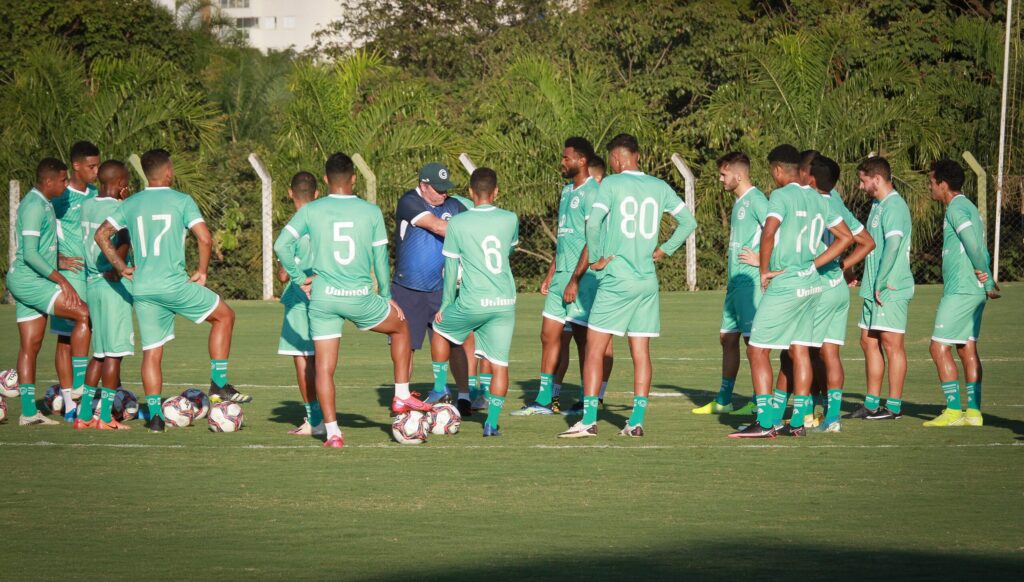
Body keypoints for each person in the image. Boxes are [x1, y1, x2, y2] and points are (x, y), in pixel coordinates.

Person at [274, 153, 431, 449]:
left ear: (325, 180)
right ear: (354, 178)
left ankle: (333, 433)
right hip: (359, 297)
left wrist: (298, 277)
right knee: (401, 327)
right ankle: (400, 394)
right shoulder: (369, 212)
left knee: (324, 367)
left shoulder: (313, 210)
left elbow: (281, 244)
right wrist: (387, 296)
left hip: (324, 299)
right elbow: (380, 258)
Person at [95, 149, 245, 433]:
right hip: (174, 285)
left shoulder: (132, 202)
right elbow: (205, 237)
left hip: (143, 288)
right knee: (225, 316)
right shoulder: (181, 200)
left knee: (152, 352)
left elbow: (101, 234)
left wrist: (120, 265)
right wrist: (202, 271)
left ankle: (154, 417)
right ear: (167, 172)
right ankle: (218, 384)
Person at [558, 133, 697, 438]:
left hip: (617, 278)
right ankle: (636, 421)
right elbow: (688, 222)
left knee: (594, 349)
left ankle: (589, 420)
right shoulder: (658, 186)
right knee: (641, 351)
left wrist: (595, 259)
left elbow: (592, 224)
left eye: (610, 159)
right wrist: (665, 249)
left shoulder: (612, 184)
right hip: (646, 280)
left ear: (619, 158)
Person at [729, 144, 853, 438]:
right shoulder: (820, 199)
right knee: (800, 350)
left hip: (786, 283)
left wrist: (763, 271)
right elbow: (846, 237)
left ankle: (766, 420)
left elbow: (769, 232)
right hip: (811, 284)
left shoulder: (781, 195)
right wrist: (815, 264)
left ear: (777, 169)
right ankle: (797, 422)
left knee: (757, 349)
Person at [513, 137, 613, 417]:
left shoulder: (594, 193)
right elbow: (565, 237)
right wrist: (551, 273)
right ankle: (545, 398)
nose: (562, 162)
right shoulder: (567, 191)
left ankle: (586, 397)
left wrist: (575, 279)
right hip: (560, 278)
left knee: (584, 341)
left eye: (566, 158)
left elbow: (591, 242)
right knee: (548, 336)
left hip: (582, 281)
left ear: (581, 161)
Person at [430, 167, 519, 436]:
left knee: (439, 329)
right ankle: (491, 423)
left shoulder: (458, 223)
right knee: (500, 363)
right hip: (505, 302)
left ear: (470, 192)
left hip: (473, 300)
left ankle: (439, 386)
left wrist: (446, 304)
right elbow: (507, 250)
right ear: (497, 192)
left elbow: (452, 268)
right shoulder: (510, 218)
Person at [6, 158, 91, 426]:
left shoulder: (43, 203)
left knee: (31, 345)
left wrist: (58, 260)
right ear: (49, 181)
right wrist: (61, 280)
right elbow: (29, 253)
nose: (66, 185)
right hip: (30, 281)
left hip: (31, 278)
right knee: (83, 313)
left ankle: (29, 412)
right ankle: (78, 384)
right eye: (63, 180)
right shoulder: (33, 205)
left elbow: (38, 249)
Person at [923, 159, 999, 427]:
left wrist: (986, 275)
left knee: (937, 347)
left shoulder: (956, 208)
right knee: (966, 347)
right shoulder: (968, 207)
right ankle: (974, 412)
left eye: (932, 182)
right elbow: (981, 244)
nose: (930, 187)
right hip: (970, 289)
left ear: (943, 184)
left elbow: (972, 244)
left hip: (962, 291)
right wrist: (985, 274)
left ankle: (954, 409)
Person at [391, 163, 473, 406]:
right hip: (409, 288)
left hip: (443, 289)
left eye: (446, 189)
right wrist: (474, 234)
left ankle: (465, 396)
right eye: (437, 189)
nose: (443, 194)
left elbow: (471, 222)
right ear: (423, 185)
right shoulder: (409, 201)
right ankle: (402, 396)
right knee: (407, 344)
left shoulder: (454, 205)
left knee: (455, 341)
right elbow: (438, 226)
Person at [692, 151, 767, 416]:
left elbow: (777, 231)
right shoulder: (739, 203)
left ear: (738, 174)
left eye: (724, 174)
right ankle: (724, 400)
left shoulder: (757, 200)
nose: (721, 179)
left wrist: (763, 260)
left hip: (750, 283)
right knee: (727, 338)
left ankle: (760, 402)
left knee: (754, 344)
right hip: (734, 284)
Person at [847, 156, 914, 421]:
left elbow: (894, 245)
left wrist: (882, 280)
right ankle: (872, 403)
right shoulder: (877, 204)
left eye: (863, 181)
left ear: (877, 179)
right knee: (867, 341)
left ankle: (894, 406)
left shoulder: (895, 206)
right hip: (872, 287)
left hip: (889, 287)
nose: (861, 187)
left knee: (892, 343)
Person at [75, 159, 135, 430]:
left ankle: (85, 414)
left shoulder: (86, 205)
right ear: (121, 184)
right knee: (114, 354)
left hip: (91, 283)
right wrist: (119, 266)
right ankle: (107, 417)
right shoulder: (119, 208)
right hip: (111, 285)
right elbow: (124, 239)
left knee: (99, 353)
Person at [50, 141, 101, 421]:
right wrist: (56, 261)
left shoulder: (95, 194)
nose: (96, 170)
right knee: (65, 340)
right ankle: (70, 402)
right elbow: (37, 235)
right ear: (76, 166)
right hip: (69, 277)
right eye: (91, 166)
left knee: (90, 333)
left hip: (93, 275)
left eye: (98, 165)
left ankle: (85, 394)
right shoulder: (58, 197)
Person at [277, 172, 325, 436]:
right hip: (327, 297)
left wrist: (292, 271)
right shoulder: (324, 224)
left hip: (299, 300)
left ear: (289, 193)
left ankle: (314, 420)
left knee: (303, 360)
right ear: (316, 194)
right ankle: (329, 420)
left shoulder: (292, 229)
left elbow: (284, 274)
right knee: (323, 358)